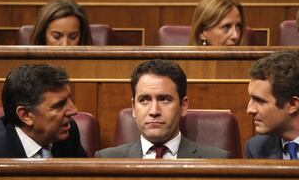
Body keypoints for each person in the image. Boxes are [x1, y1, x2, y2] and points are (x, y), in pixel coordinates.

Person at [94, 59, 230, 159]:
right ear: (134, 107)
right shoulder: (106, 159)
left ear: (183, 106)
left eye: (164, 99)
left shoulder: (217, 160)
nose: (154, 111)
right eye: (144, 100)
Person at [0, 64, 87, 158]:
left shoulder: (69, 131)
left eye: (69, 99)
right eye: (59, 105)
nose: (74, 110)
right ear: (26, 115)